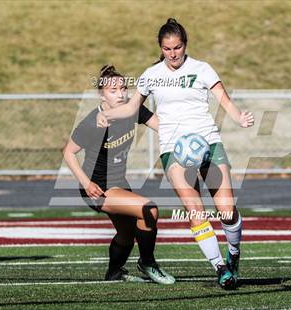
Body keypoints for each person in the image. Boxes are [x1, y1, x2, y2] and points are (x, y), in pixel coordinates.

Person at [97, 19, 254, 290]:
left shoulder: (202, 68)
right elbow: (132, 108)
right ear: (161, 48)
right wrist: (106, 114)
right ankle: (220, 268)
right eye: (167, 48)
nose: (173, 54)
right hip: (174, 150)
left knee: (227, 211)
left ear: (185, 45)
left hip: (208, 144)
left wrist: (238, 116)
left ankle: (234, 253)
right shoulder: (150, 74)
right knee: (195, 210)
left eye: (177, 47)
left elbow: (223, 98)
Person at [63, 64, 175, 285]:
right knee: (149, 209)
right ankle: (148, 263)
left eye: (123, 88)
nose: (121, 94)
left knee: (126, 234)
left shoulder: (132, 110)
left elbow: (164, 127)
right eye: (113, 91)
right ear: (102, 95)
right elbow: (68, 152)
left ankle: (114, 272)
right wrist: (86, 183)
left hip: (119, 183)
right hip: (98, 186)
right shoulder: (93, 121)